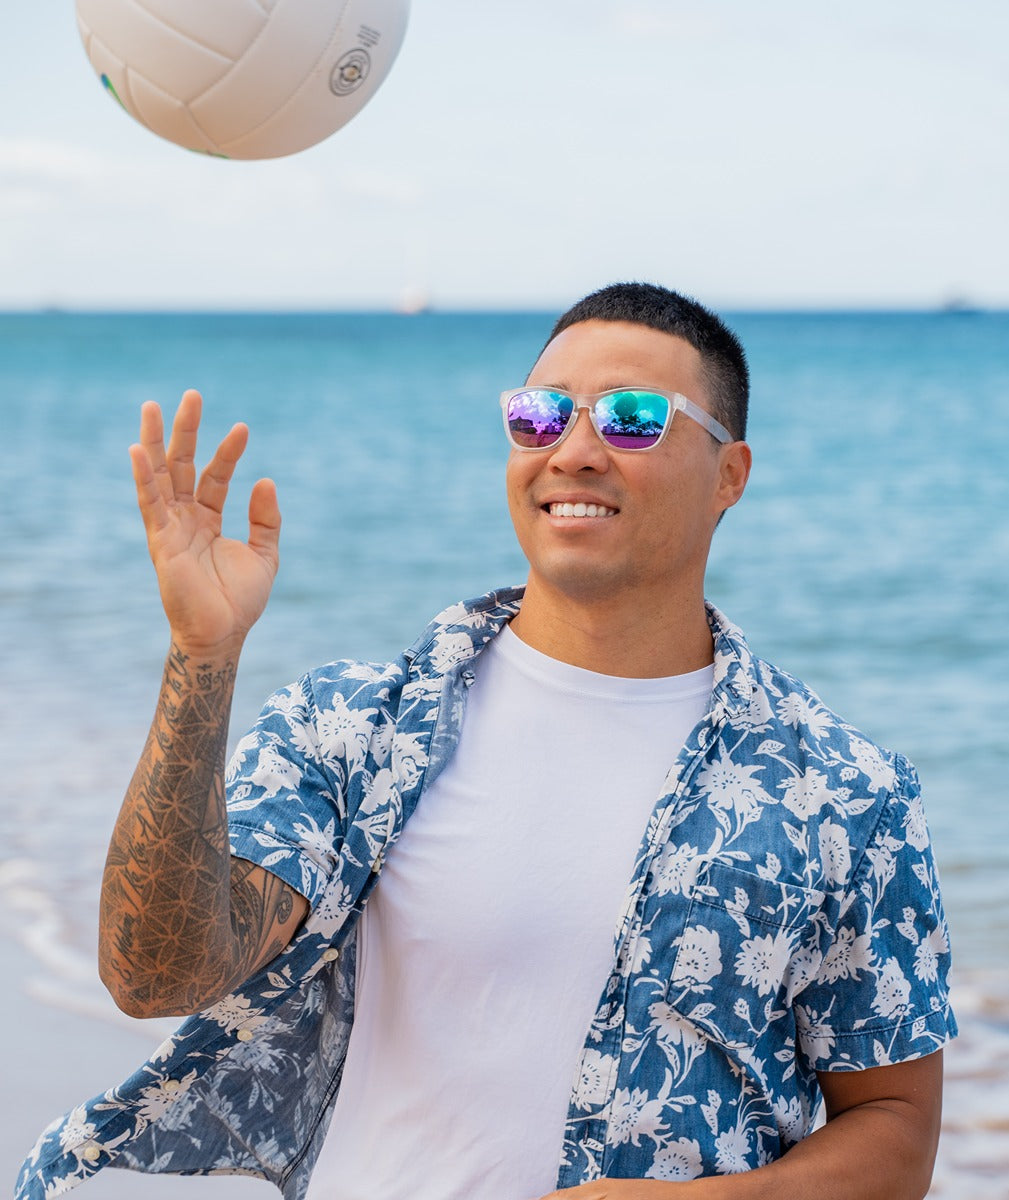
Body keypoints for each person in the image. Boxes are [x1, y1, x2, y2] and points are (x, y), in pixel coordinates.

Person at [17, 283, 956, 1200]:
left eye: (632, 419)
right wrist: (202, 656)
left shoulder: (842, 793)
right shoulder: (353, 730)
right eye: (540, 417)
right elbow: (155, 974)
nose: (573, 453)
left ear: (730, 475)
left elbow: (895, 1131)